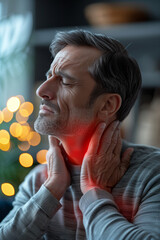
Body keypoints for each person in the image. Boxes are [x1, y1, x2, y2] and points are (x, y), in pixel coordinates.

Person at [0, 30, 160, 240]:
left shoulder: (153, 175)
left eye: (65, 81)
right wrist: (52, 189)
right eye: (49, 76)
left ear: (108, 105)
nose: (42, 91)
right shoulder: (39, 180)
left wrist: (94, 193)